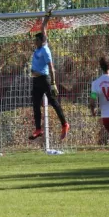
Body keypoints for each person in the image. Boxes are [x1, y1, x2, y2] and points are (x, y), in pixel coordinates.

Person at [28, 10, 70, 141]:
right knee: (35, 104)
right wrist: (46, 18)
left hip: (44, 80)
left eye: (36, 40)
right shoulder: (41, 46)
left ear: (41, 40)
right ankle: (38, 129)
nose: (35, 42)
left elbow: (51, 68)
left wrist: (53, 83)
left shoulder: (45, 50)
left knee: (53, 102)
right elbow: (43, 28)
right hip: (36, 81)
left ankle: (65, 124)